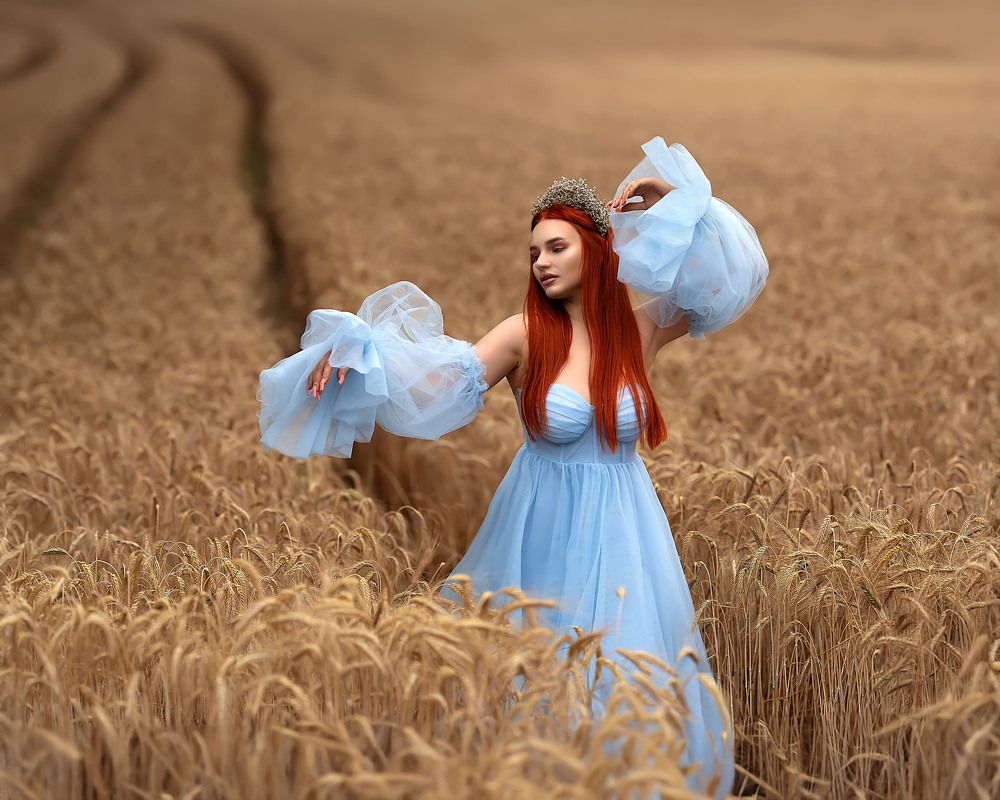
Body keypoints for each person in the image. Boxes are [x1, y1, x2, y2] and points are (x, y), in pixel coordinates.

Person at [257, 135, 768, 797]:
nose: (542, 263)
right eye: (534, 253)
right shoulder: (524, 334)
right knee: (539, 680)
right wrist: (360, 351)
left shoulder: (640, 329)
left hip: (625, 531)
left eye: (556, 247)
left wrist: (675, 201)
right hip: (541, 529)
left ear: (597, 249)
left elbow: (728, 283)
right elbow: (439, 381)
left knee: (627, 676)